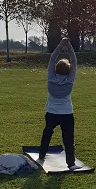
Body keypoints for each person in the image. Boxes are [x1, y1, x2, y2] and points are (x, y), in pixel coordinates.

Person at [38, 38, 78, 169]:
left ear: (55, 69)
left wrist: (61, 44)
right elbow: (74, 61)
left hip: (51, 113)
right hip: (67, 114)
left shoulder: (51, 78)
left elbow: (52, 58)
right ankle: (71, 164)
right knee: (68, 139)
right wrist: (70, 46)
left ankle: (42, 155)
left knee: (47, 133)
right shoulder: (70, 80)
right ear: (68, 71)